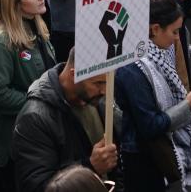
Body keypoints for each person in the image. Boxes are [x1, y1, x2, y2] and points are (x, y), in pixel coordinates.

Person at [115, 0, 191, 191]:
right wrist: (187, 105)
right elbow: (150, 125)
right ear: (155, 29)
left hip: (158, 154)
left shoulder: (156, 51)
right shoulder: (132, 69)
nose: (177, 38)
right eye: (174, 32)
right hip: (144, 160)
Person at [0, 0, 56, 192]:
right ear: (15, 3)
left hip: (40, 133)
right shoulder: (1, 42)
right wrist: (36, 102)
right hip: (15, 142)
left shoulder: (37, 27)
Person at [13, 49, 118, 192]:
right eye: (98, 83)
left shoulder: (94, 99)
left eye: (107, 83)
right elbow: (35, 186)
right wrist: (91, 167)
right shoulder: (34, 119)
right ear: (75, 75)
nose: (105, 91)